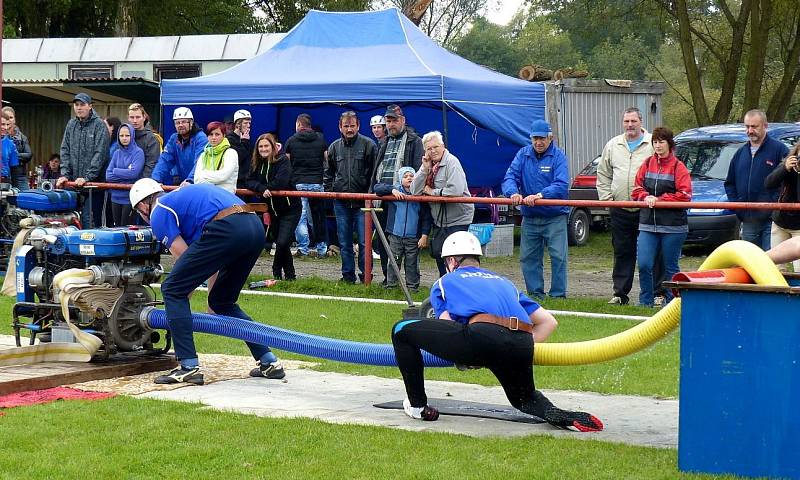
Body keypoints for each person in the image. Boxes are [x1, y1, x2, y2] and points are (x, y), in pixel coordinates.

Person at [391, 231, 604, 431]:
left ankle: (418, 406)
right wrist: (516, 347)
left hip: (482, 337)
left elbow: (448, 326)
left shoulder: (445, 282)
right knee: (525, 400)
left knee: (401, 329)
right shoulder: (506, 283)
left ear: (452, 261)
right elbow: (549, 322)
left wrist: (468, 355)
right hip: (521, 342)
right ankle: (563, 415)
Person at [129, 178, 285, 384]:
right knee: (222, 303)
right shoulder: (180, 202)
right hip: (252, 225)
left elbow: (183, 263)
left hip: (227, 227)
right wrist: (211, 302)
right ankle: (269, 362)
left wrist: (177, 308)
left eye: (140, 214)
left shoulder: (159, 211)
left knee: (171, 288)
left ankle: (188, 366)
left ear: (142, 205)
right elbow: (205, 263)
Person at [596, 107, 662, 305]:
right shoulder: (613, 145)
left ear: (641, 122)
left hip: (647, 208)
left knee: (651, 252)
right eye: (626, 121)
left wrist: (656, 199)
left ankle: (657, 293)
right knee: (622, 250)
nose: (630, 125)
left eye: (633, 121)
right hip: (620, 208)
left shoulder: (652, 144)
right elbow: (603, 173)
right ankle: (620, 293)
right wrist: (607, 199)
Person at [502, 119, 569, 299]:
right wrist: (512, 193)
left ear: (550, 138)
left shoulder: (558, 156)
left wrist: (540, 195)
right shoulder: (523, 155)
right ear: (530, 139)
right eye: (535, 138)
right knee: (528, 258)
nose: (538, 142)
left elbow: (562, 184)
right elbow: (509, 177)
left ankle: (558, 295)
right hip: (530, 217)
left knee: (558, 257)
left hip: (555, 216)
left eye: (542, 138)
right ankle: (535, 294)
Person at [630, 127, 692, 307]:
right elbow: (636, 188)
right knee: (644, 264)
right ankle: (645, 302)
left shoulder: (678, 167)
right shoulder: (648, 163)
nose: (658, 145)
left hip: (673, 227)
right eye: (655, 142)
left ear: (669, 144)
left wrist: (660, 199)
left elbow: (685, 194)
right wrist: (645, 196)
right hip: (648, 224)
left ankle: (673, 303)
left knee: (670, 267)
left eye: (661, 142)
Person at [325, 111, 378, 284]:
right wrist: (331, 192)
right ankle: (347, 276)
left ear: (358, 126)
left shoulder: (369, 145)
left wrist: (369, 195)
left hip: (363, 202)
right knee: (344, 242)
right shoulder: (333, 147)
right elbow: (328, 173)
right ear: (340, 127)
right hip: (340, 202)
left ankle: (366, 277)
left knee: (364, 243)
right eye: (346, 126)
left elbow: (374, 173)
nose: (349, 129)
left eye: (352, 126)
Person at [410, 131, 472, 276]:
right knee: (440, 253)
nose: (433, 151)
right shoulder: (429, 165)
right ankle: (445, 281)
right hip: (439, 219)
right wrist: (424, 169)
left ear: (443, 146)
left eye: (436, 147)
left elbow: (456, 190)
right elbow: (414, 190)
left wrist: (432, 192)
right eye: (429, 149)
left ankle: (457, 284)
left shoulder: (452, 162)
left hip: (458, 218)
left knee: (455, 255)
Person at [373, 105, 425, 282]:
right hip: (384, 197)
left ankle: (411, 283)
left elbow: (419, 171)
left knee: (407, 244)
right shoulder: (383, 142)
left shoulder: (415, 141)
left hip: (405, 200)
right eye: (388, 121)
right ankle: (389, 279)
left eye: (394, 120)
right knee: (384, 240)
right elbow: (376, 172)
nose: (391, 124)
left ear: (403, 120)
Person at [725, 109, 789, 250]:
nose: (750, 130)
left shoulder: (779, 150)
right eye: (747, 126)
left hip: (772, 220)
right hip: (748, 219)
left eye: (754, 126)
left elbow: (788, 182)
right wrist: (737, 206)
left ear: (765, 126)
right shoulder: (740, 154)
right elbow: (730, 183)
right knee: (749, 261)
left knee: (769, 261)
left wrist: (775, 206)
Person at [246, 133, 302, 281]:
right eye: (260, 146)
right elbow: (249, 180)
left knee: (283, 242)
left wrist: (265, 188)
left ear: (273, 146)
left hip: (290, 208)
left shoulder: (283, 160)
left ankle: (276, 269)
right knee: (281, 244)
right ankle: (290, 277)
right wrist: (260, 188)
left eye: (266, 146)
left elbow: (281, 182)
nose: (263, 149)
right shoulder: (257, 163)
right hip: (272, 210)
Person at [56, 93, 110, 229]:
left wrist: (87, 177)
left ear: (90, 106)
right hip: (73, 185)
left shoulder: (99, 125)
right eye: (76, 105)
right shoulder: (71, 124)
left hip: (94, 187)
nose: (79, 108)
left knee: (90, 223)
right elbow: (65, 150)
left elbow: (100, 154)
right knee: (70, 221)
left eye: (82, 105)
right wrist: (65, 175)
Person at [374, 166, 431, 292]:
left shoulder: (419, 193)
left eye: (411, 176)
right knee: (394, 262)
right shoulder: (395, 191)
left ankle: (412, 288)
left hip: (413, 237)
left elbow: (426, 217)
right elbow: (377, 188)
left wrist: (424, 235)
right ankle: (391, 286)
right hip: (395, 235)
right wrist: (392, 189)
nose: (409, 178)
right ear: (400, 179)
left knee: (412, 264)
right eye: (405, 176)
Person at [285, 113, 328, 257]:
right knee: (317, 217)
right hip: (317, 182)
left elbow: (287, 164)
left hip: (298, 183)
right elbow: (326, 161)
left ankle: (303, 248)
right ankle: (321, 249)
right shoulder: (321, 139)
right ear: (310, 125)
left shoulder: (291, 140)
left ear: (298, 125)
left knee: (299, 217)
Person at [764, 141, 800, 271]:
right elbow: (768, 183)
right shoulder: (787, 164)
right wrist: (784, 169)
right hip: (781, 223)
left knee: (799, 269)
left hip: (799, 227)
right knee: (776, 268)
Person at [151, 107, 208, 186]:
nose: (180, 125)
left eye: (184, 122)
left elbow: (200, 162)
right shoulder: (174, 138)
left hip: (198, 183)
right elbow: (165, 160)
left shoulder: (200, 138)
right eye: (177, 122)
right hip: (183, 182)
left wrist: (190, 180)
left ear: (191, 123)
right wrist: (155, 179)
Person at [105, 124, 145, 226]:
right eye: (121, 136)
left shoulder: (138, 153)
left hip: (130, 198)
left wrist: (116, 171)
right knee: (117, 227)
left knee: (127, 228)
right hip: (115, 197)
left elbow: (133, 174)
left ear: (132, 136)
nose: (124, 138)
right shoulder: (116, 153)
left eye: (127, 135)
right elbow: (108, 176)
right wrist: (125, 172)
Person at [191, 121, 238, 193]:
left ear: (224, 135)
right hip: (206, 197)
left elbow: (223, 176)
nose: (213, 137)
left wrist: (204, 174)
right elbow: (197, 180)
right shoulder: (203, 155)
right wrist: (216, 179)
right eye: (211, 134)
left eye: (217, 134)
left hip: (225, 198)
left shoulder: (231, 153)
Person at [1, 106, 32, 190]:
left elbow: (29, 155)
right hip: (5, 176)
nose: (9, 119)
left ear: (14, 119)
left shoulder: (21, 137)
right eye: (6, 117)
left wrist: (12, 155)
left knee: (25, 198)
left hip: (19, 175)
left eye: (11, 117)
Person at [127, 103, 161, 178]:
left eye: (138, 117)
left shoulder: (152, 138)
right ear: (128, 118)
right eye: (132, 117)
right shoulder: (124, 136)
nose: (135, 120)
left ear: (144, 117)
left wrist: (141, 182)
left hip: (143, 183)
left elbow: (151, 164)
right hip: (125, 181)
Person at [227, 109, 254, 191]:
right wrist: (244, 142)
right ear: (238, 124)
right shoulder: (229, 139)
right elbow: (237, 157)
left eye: (249, 123)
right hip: (236, 181)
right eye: (245, 123)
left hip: (247, 180)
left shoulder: (247, 139)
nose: (248, 125)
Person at [1, 117, 19, 183]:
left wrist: (15, 188)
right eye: (2, 124)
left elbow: (14, 169)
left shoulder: (11, 144)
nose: (5, 127)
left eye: (7, 125)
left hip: (4, 181)